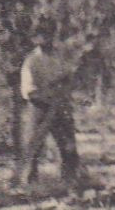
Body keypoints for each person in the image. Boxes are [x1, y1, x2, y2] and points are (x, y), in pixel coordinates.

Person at [17, 18, 81, 191]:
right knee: (33, 146)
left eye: (48, 35)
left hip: (60, 105)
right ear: (35, 38)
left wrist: (65, 83)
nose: (45, 39)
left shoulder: (59, 56)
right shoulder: (32, 61)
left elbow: (68, 75)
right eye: (41, 36)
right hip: (39, 106)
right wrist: (46, 97)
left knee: (68, 144)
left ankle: (70, 181)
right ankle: (28, 183)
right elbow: (28, 90)